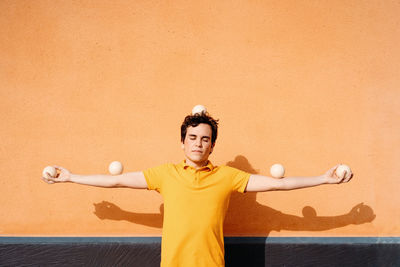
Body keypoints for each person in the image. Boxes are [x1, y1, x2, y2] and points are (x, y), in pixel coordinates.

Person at [42, 112, 353, 267]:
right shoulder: (165, 174)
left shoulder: (228, 177)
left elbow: (277, 184)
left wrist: (323, 179)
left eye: (205, 139)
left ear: (212, 145)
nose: (198, 143)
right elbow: (117, 180)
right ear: (182, 142)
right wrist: (71, 177)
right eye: (192, 138)